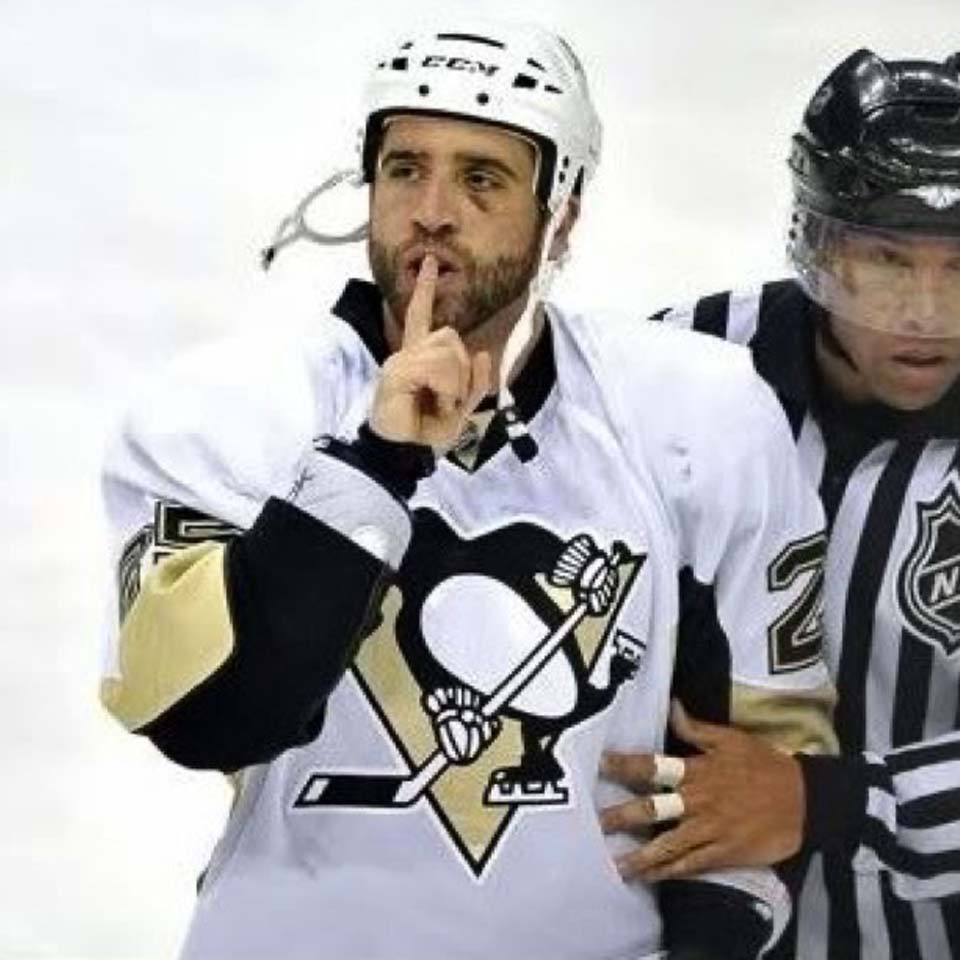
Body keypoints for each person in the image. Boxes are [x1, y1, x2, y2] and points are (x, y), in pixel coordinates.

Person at [99, 20, 835, 960]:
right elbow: (208, 718)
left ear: (562, 213)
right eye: (405, 169)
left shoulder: (697, 415)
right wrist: (376, 462)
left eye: (482, 178)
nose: (434, 212)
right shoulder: (225, 412)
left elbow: (761, 771)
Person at [601, 49, 960, 959]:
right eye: (887, 260)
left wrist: (832, 802)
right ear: (820, 247)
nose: (926, 313)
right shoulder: (677, 370)